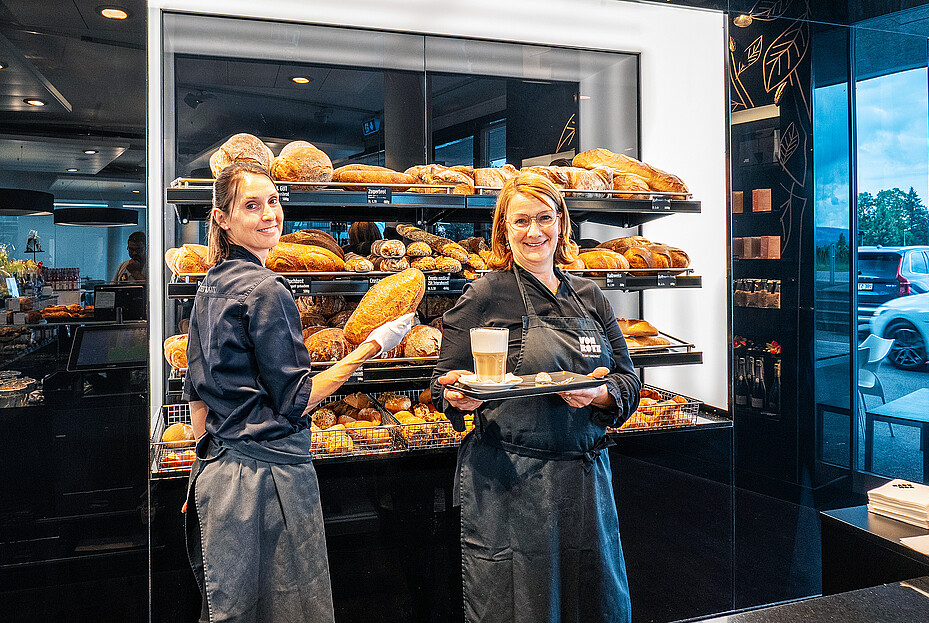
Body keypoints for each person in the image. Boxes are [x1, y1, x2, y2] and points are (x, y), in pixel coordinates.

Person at [182, 162, 413, 622]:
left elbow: (197, 394)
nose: (270, 214)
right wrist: (370, 346)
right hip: (266, 483)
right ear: (223, 219)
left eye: (274, 201)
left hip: (218, 477)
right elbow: (297, 398)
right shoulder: (268, 289)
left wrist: (199, 469)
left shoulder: (211, 282)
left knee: (233, 610)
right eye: (252, 205)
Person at [431, 172, 640, 623]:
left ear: (561, 222)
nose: (534, 231)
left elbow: (628, 379)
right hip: (512, 481)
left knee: (593, 602)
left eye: (544, 217)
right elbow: (441, 380)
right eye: (520, 220)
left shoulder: (590, 296)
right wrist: (460, 396)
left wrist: (600, 393)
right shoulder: (486, 294)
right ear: (504, 229)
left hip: (585, 482)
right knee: (520, 607)